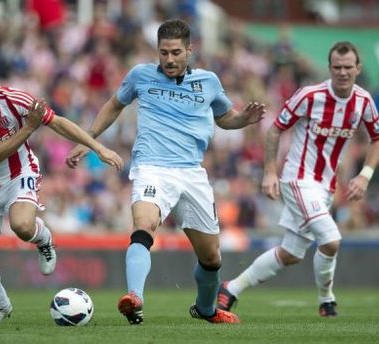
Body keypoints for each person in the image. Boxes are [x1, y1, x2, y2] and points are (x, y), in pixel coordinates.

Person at [66, 19, 266, 325]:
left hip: (191, 173)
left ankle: (207, 309)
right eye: (163, 52)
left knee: (211, 257)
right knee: (144, 224)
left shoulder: (209, 81)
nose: (169, 59)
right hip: (152, 167)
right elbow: (113, 105)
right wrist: (89, 139)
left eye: (175, 52)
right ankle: (135, 299)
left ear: (189, 49)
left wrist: (245, 120)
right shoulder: (140, 75)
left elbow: (225, 118)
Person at [0, 58, 124, 324]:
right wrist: (29, 127)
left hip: (20, 174)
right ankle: (1, 305)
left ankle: (43, 239)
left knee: (22, 226)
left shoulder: (13, 99)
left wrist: (98, 148)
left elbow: (58, 122)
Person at [217, 41, 379, 318]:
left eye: (347, 67)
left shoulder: (363, 101)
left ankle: (231, 288)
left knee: (291, 254)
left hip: (325, 187)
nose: (342, 73)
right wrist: (270, 171)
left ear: (358, 68)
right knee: (331, 240)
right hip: (298, 179)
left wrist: (365, 176)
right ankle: (327, 301)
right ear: (329, 68)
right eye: (337, 67)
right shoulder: (310, 95)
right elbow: (274, 131)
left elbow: (378, 139)